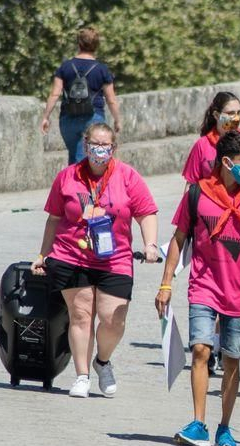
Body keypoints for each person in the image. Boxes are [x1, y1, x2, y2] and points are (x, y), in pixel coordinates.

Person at [156, 131, 240, 446]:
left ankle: (224, 426)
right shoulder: (197, 194)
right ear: (226, 162)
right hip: (204, 286)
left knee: (232, 359)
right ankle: (198, 423)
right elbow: (179, 239)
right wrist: (166, 283)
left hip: (239, 291)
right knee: (200, 350)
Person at [32, 122, 159, 398]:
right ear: (85, 144)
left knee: (114, 319)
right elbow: (54, 218)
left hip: (115, 258)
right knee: (81, 315)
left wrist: (150, 244)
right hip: (71, 255)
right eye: (94, 144)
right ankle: (81, 376)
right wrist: (43, 254)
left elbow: (146, 212)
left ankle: (102, 361)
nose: (99, 150)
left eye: (105, 146)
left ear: (113, 148)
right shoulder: (68, 177)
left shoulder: (127, 177)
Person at [40, 26, 120, 164]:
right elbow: (111, 99)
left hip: (68, 117)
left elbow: (55, 94)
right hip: (94, 117)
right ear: (96, 46)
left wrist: (46, 117)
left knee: (75, 156)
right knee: (91, 160)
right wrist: (117, 119)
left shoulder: (65, 67)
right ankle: (81, 185)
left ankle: (72, 183)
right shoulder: (102, 69)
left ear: (78, 44)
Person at [183, 92, 240, 183]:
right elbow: (191, 184)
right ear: (216, 115)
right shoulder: (202, 145)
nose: (236, 118)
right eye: (231, 113)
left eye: (239, 113)